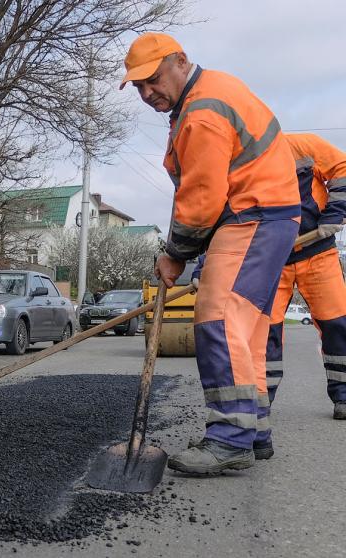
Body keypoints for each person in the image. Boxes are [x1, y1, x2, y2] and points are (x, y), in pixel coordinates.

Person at [121, 33, 300, 474]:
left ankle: (230, 439)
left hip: (253, 214)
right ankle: (253, 432)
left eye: (153, 80)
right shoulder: (204, 95)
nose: (147, 93)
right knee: (246, 329)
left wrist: (175, 254)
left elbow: (201, 197)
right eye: (139, 87)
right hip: (264, 215)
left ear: (180, 62)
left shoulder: (202, 112)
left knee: (218, 318)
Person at [264, 134, 346, 426]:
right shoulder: (241, 160)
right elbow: (221, 215)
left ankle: (344, 395)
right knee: (264, 330)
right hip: (272, 259)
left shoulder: (303, 146)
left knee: (337, 323)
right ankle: (260, 402)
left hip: (317, 252)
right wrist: (203, 267)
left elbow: (342, 168)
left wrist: (334, 215)